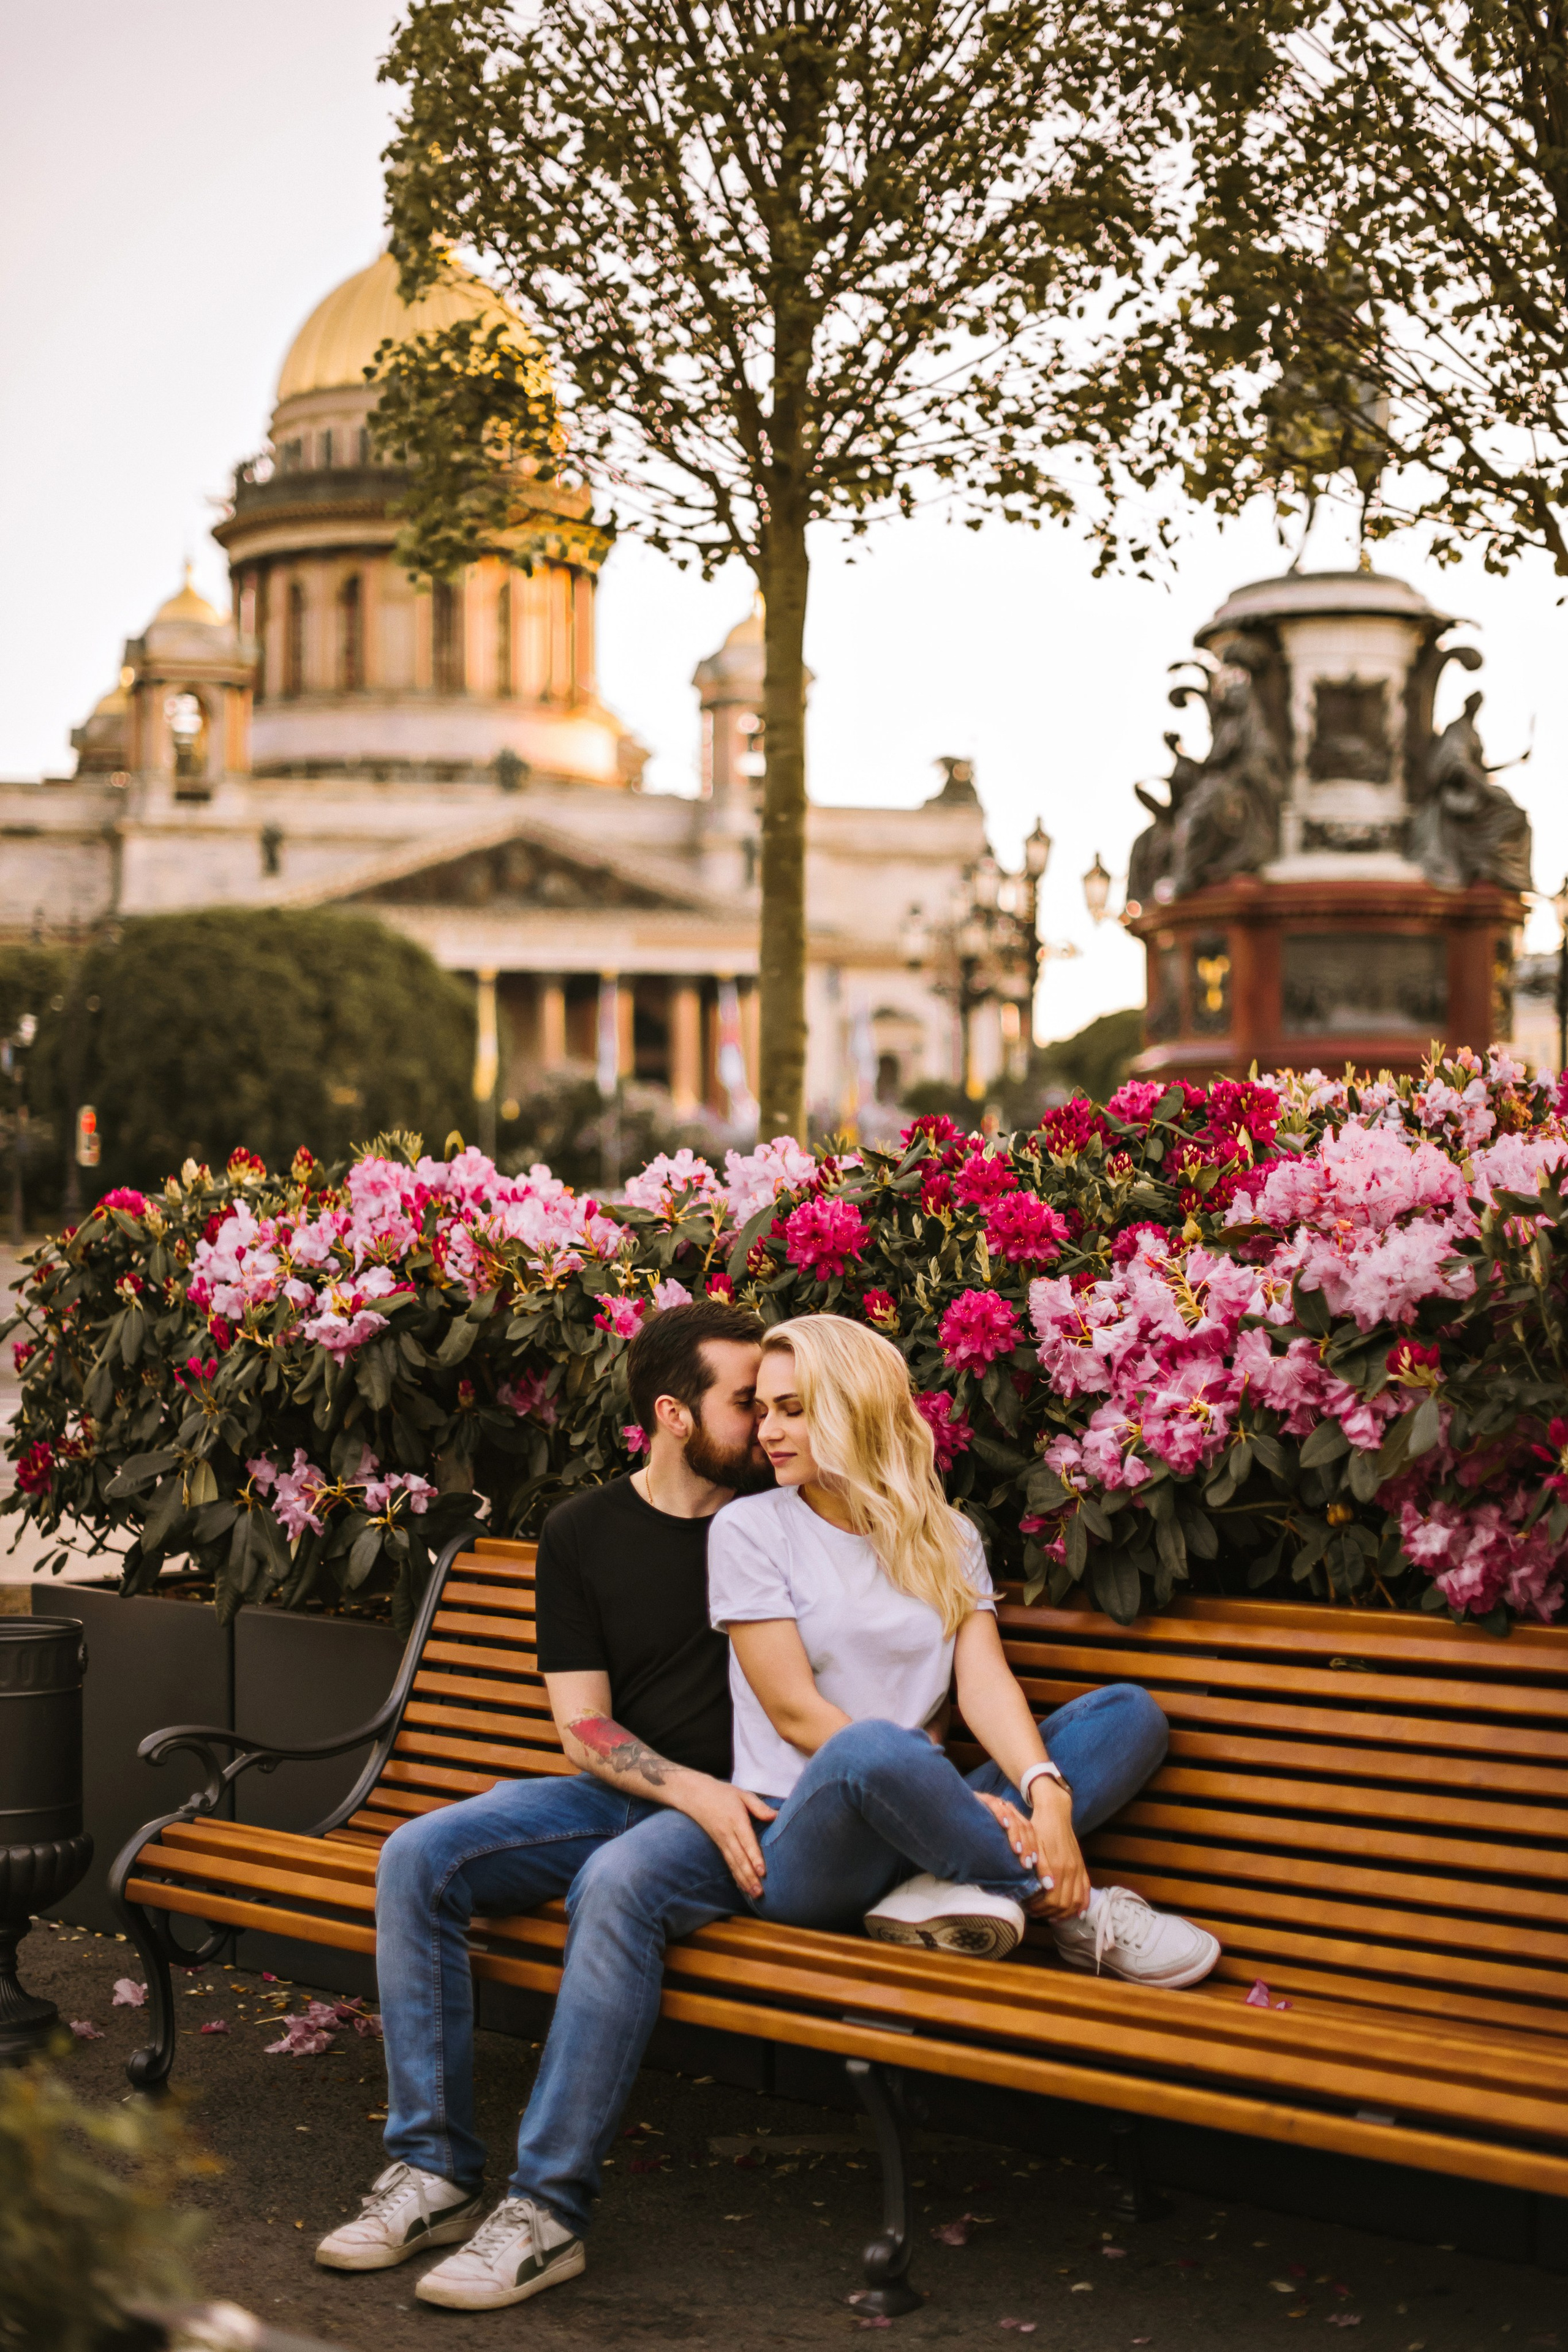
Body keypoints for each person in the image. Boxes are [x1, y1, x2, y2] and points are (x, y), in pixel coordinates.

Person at [401, 1313, 1214, 2313]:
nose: (769, 1430)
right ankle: (1056, 1900)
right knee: (869, 1748)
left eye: (793, 1409)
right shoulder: (753, 1529)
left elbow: (984, 1683)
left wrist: (1043, 1791)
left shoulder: (946, 1533)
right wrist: (973, 1806)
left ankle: (957, 1874)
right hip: (801, 1829)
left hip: (917, 1812)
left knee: (1126, 1715)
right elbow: (792, 1711)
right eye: (763, 1408)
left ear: (856, 1410)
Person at [314, 1298, 772, 2298]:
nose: (771, 1420)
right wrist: (686, 1788)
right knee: (418, 1855)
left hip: (752, 1816)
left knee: (614, 1882)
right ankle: (435, 2173)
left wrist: (714, 1801)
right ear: (674, 1414)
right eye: (748, 1401)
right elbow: (585, 1726)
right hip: (634, 1795)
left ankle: (549, 2212)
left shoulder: (787, 1519)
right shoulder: (583, 1531)